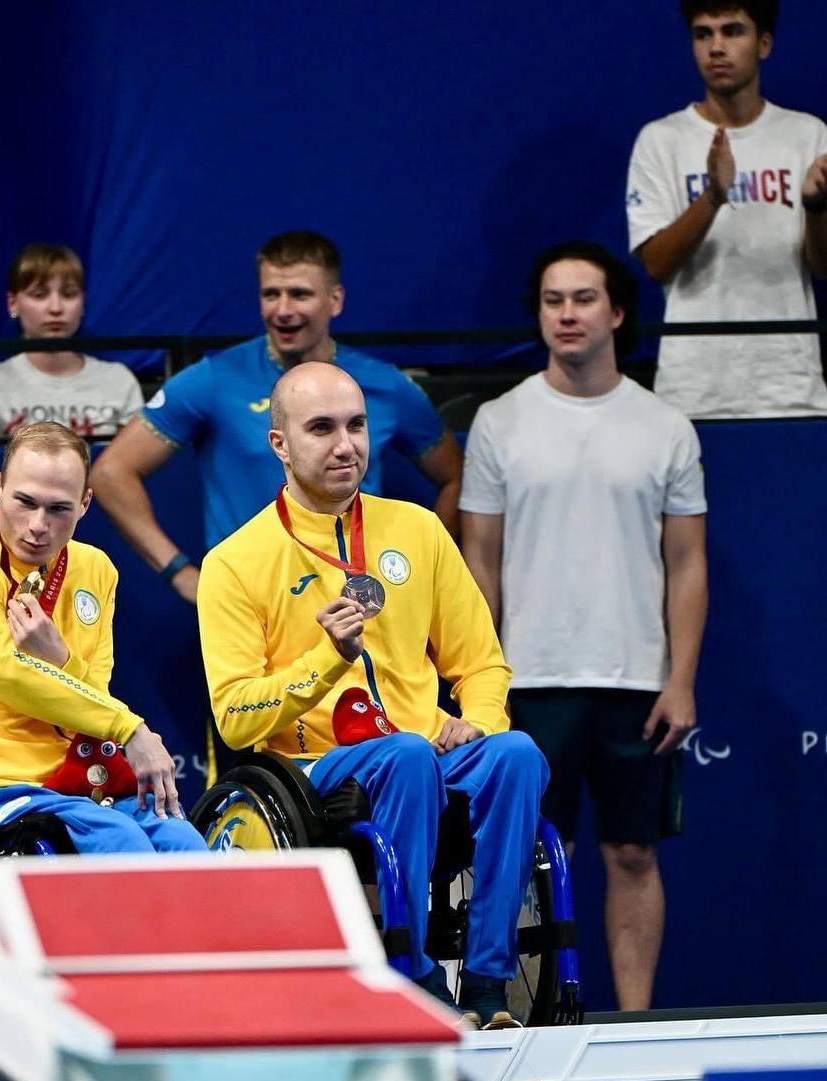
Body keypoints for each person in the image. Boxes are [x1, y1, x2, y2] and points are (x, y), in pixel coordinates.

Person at [197, 362, 547, 1029]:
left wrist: (475, 722)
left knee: (517, 754)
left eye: (355, 426)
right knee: (406, 755)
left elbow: (481, 662)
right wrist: (324, 661)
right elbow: (236, 719)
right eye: (321, 429)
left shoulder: (415, 530)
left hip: (420, 746)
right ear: (279, 445)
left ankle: (486, 981)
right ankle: (410, 971)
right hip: (312, 770)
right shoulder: (235, 563)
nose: (344, 445)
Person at [461, 242, 708, 1011]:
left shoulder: (665, 426)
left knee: (631, 853)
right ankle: (534, 1017)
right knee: (536, 857)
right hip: (527, 684)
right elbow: (479, 562)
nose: (566, 315)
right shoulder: (499, 424)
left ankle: (632, 1025)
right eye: (551, 301)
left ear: (617, 312)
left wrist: (680, 679)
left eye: (582, 299)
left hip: (636, 684)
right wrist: (482, 684)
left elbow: (687, 563)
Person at [90, 231, 462, 606]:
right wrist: (180, 572)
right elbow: (110, 474)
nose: (283, 310)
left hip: (358, 604)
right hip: (251, 607)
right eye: (271, 294)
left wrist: (418, 570)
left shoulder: (387, 385)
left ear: (335, 300)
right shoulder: (215, 379)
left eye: (300, 294)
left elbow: (457, 476)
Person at [0, 420, 207, 853]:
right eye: (25, 502)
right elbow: (6, 671)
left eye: (59, 509)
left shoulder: (95, 570)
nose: (38, 525)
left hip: (82, 775)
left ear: (85, 503)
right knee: (121, 843)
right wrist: (130, 730)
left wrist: (60, 661)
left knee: (184, 842)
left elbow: (94, 692)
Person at [626, 0, 827, 417]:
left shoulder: (808, 135)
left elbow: (823, 268)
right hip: (694, 392)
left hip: (790, 387)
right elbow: (657, 266)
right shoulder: (660, 141)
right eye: (703, 34)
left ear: (764, 44)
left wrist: (816, 208)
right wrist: (712, 198)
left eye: (732, 31)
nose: (716, 47)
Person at [0, 243, 143, 442]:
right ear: (13, 303)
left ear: (83, 303)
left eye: (68, 294)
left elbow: (130, 466)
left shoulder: (118, 381)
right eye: (39, 295)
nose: (56, 308)